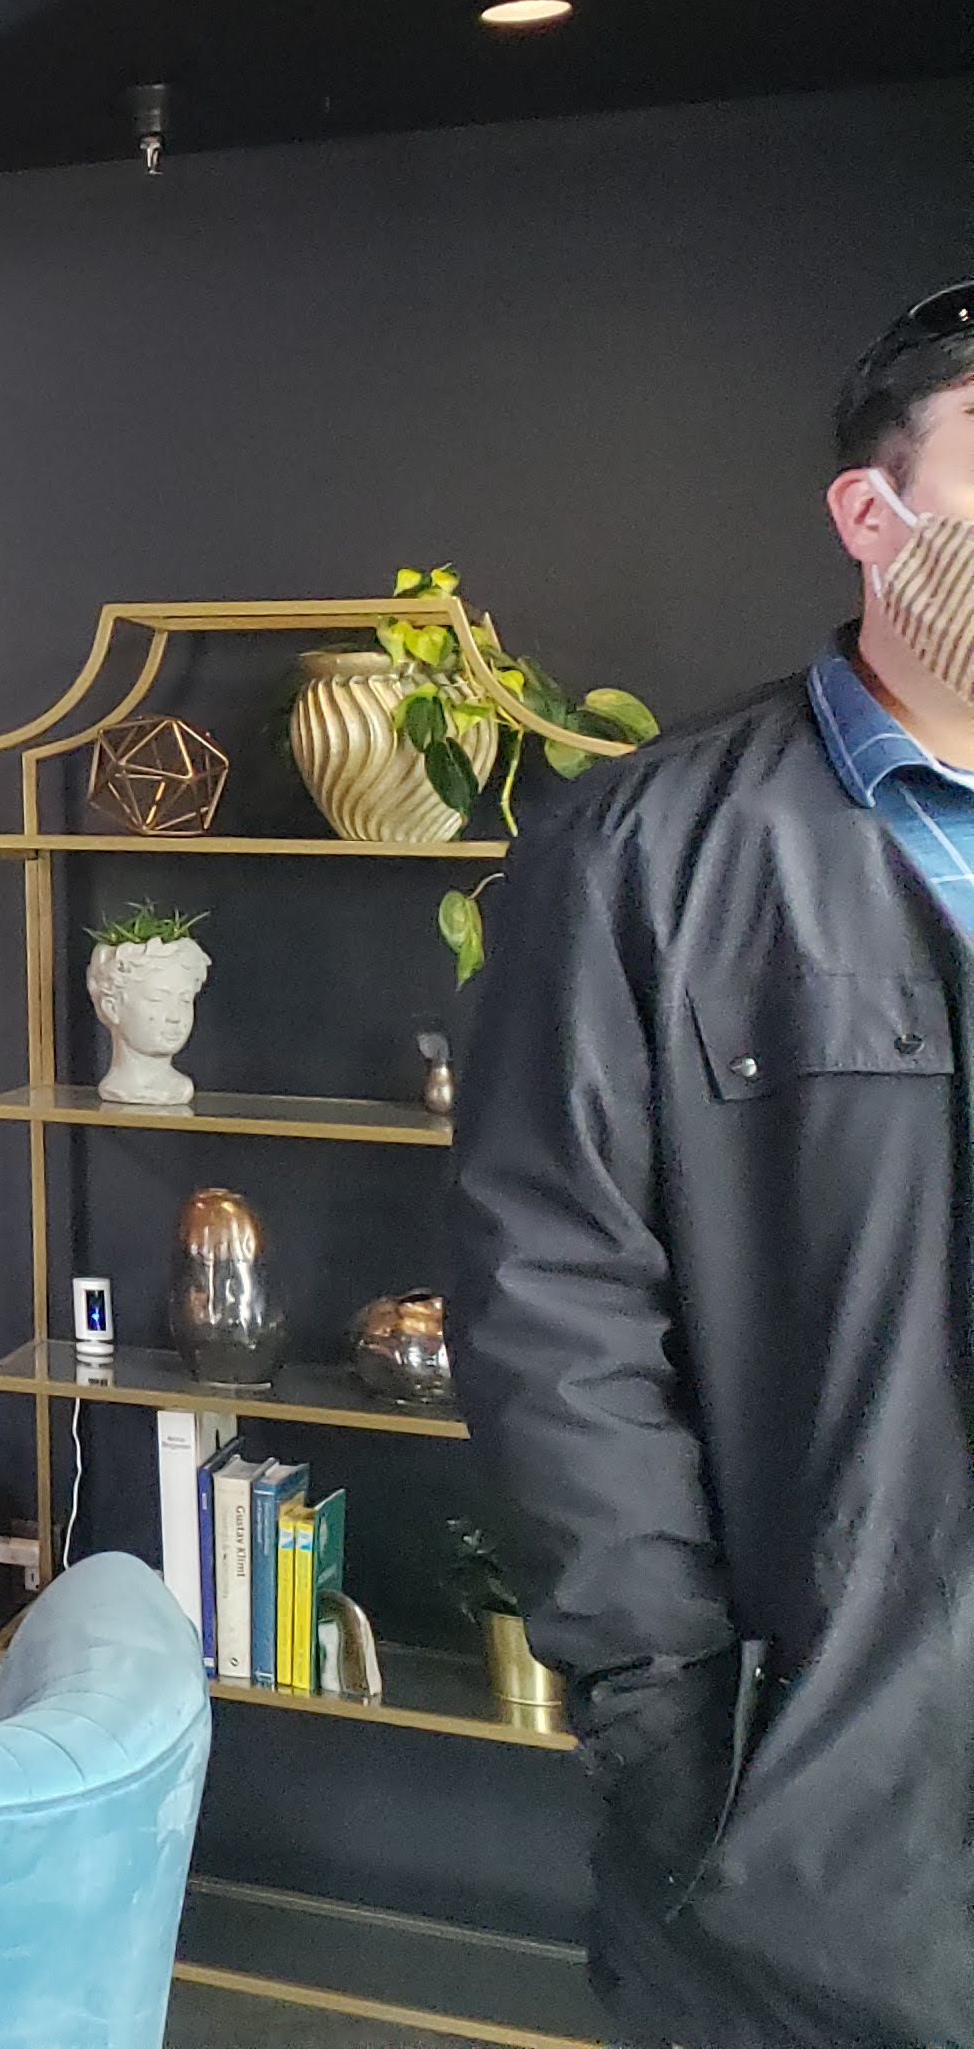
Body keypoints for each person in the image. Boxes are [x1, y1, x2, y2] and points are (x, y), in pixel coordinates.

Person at [453, 281, 974, 2049]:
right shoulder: (642, 852)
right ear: (872, 516)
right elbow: (552, 1312)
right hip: (804, 1850)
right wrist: (676, 1726)